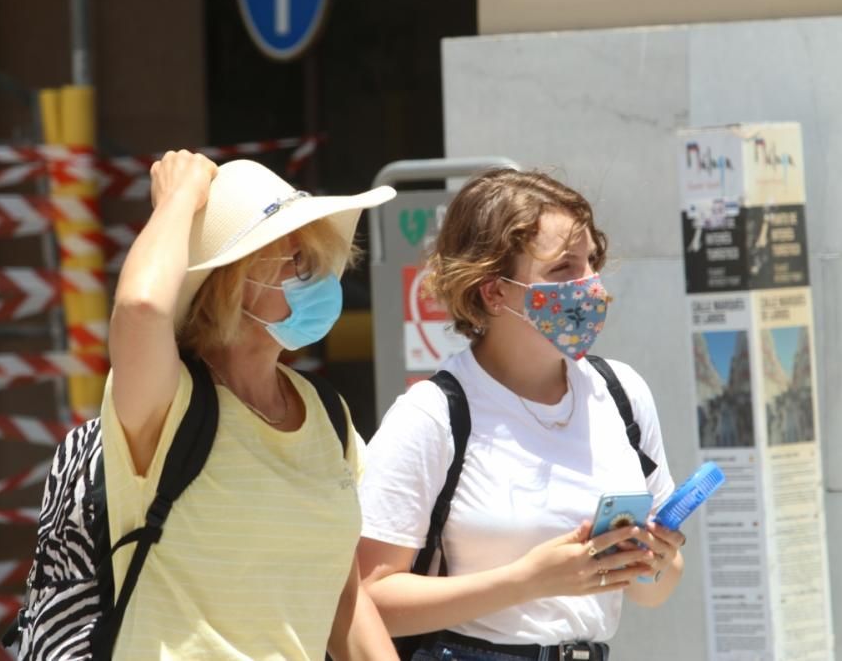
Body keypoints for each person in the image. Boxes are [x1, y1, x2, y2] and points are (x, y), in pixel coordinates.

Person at [357, 169, 685, 660]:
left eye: (592, 262)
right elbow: (367, 599)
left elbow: (650, 591)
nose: (591, 286)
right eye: (563, 270)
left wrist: (658, 560)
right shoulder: (434, 415)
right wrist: (525, 581)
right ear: (493, 292)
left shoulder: (621, 393)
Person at [103, 150, 399, 660]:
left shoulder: (327, 412)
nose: (324, 279)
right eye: (298, 261)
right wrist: (177, 199)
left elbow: (341, 593)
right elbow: (141, 306)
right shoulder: (168, 398)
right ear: (232, 284)